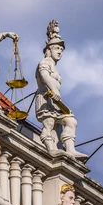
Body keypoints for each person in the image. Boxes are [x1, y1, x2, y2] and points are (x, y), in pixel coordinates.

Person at [35, 20, 87, 160]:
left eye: (61, 50)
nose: (60, 52)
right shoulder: (44, 63)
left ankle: (70, 150)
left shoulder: (55, 67)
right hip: (46, 99)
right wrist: (54, 90)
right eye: (57, 48)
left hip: (56, 100)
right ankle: (51, 149)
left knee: (71, 121)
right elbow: (45, 76)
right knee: (49, 123)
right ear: (49, 50)